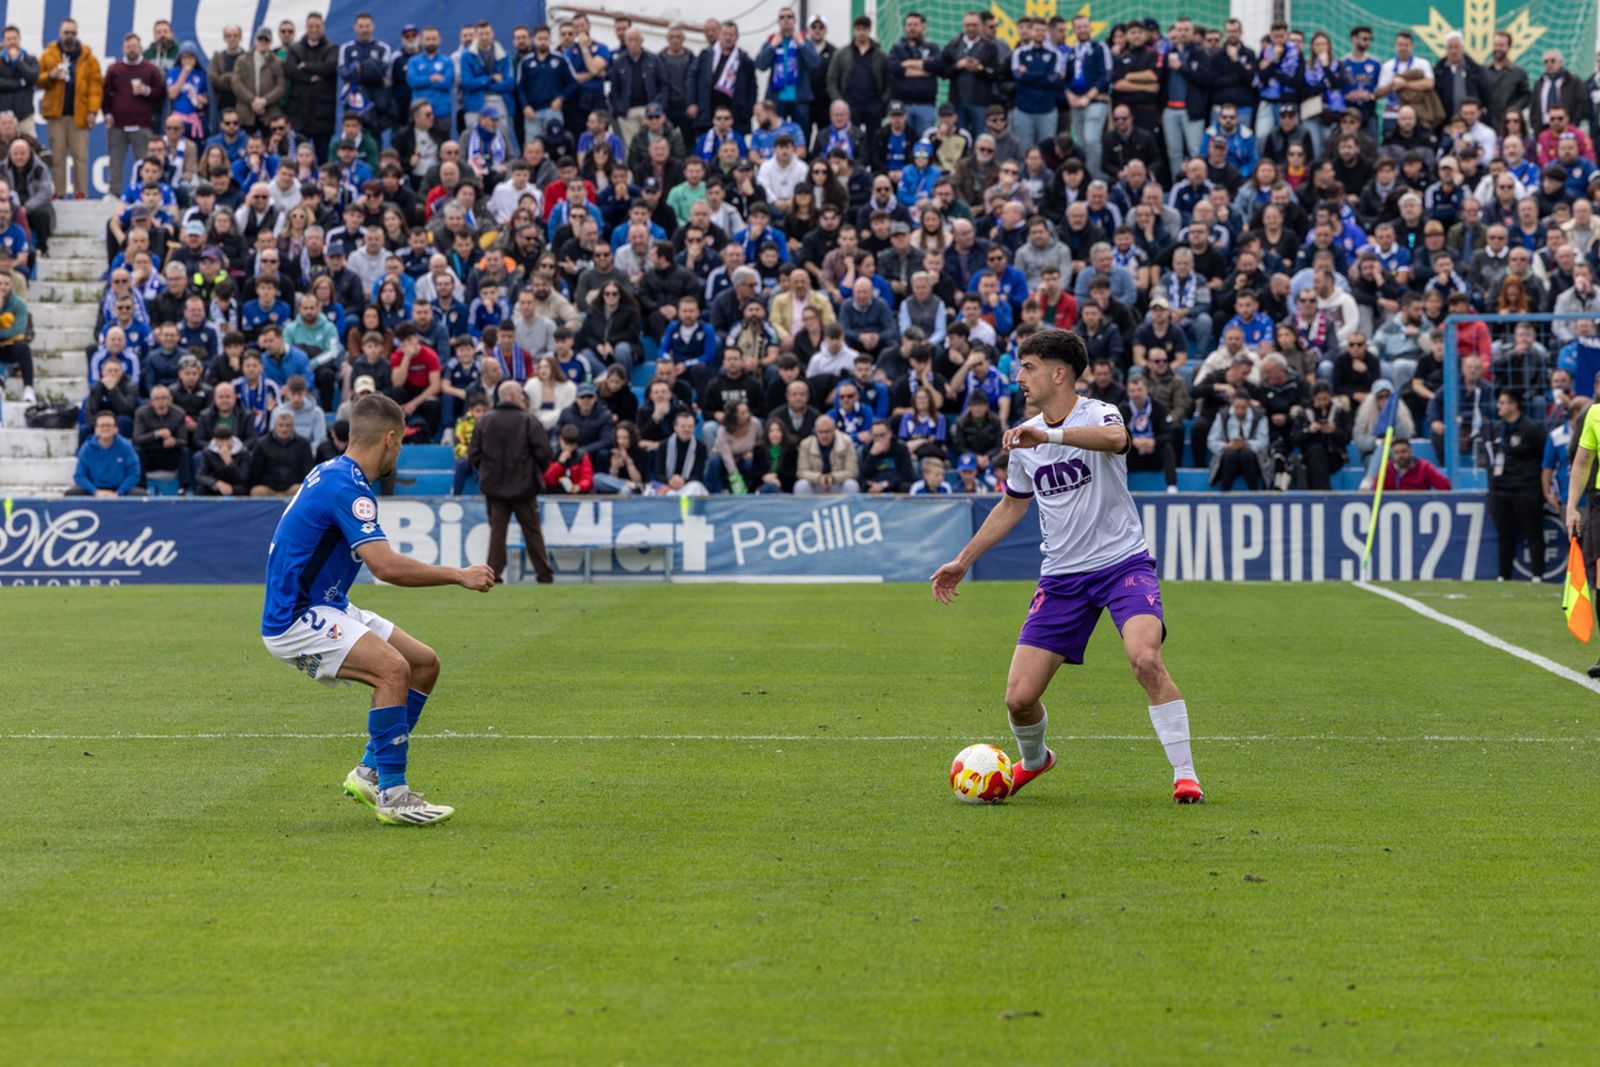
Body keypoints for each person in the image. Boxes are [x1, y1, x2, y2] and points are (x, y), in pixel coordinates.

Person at [929, 328, 1202, 804]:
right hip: (1062, 578)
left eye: (1028, 367)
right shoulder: (1023, 438)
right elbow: (1012, 506)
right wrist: (962, 560)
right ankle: (1035, 761)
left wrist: (1049, 434)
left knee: (1145, 658)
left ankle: (1185, 775)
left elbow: (1119, 439)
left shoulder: (1099, 413)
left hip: (1122, 565)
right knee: (1018, 699)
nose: (1019, 377)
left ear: (1059, 373)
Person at [260, 393, 495, 827]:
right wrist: (458, 575)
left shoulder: (335, 472)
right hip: (295, 618)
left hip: (326, 603)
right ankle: (393, 793)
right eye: (402, 443)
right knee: (392, 670)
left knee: (422, 663)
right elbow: (385, 567)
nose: (400, 452)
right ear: (390, 439)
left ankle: (369, 772)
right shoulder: (346, 487)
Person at [470, 380, 556, 583]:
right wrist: (534, 473)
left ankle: (492, 575)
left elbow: (473, 454)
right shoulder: (528, 420)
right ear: (514, 396)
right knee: (533, 533)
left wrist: (487, 470)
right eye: (520, 394)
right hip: (524, 488)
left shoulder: (484, 421)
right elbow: (544, 453)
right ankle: (543, 574)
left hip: (494, 488)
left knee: (497, 534)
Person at [1486, 389, 1546, 581]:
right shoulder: (1497, 428)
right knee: (1504, 535)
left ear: (1513, 405)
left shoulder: (1532, 429)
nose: (1499, 406)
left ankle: (1537, 575)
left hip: (1526, 490)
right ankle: (1504, 575)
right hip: (1501, 490)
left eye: (1502, 402)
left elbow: (1543, 457)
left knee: (1533, 533)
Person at [39, 18, 102, 199]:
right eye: (66, 33)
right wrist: (50, 76)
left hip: (79, 115)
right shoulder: (49, 54)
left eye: (73, 33)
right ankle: (58, 193)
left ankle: (80, 192)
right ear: (60, 33)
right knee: (58, 157)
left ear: (77, 34)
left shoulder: (88, 58)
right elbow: (37, 78)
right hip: (56, 115)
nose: (69, 36)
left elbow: (95, 87)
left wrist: (92, 111)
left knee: (80, 157)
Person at [69, 411, 144, 496]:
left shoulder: (126, 447)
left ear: (116, 429)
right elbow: (79, 476)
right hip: (94, 489)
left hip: (119, 489)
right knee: (72, 493)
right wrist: (95, 492)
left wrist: (119, 492)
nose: (105, 429)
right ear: (96, 429)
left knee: (141, 494)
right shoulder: (86, 448)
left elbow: (134, 474)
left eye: (109, 425)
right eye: (102, 426)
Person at [249, 407, 315, 496]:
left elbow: (308, 470)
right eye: (281, 425)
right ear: (274, 426)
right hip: (268, 488)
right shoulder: (262, 444)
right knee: (257, 491)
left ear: (293, 427)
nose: (284, 429)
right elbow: (255, 472)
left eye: (287, 425)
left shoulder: (303, 444)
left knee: (300, 489)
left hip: (293, 488)